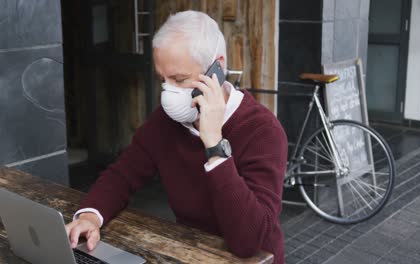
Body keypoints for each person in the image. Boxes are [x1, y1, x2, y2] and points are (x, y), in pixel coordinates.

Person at [65, 10, 287, 264]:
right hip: (191, 254)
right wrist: (90, 216)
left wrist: (214, 145)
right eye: (162, 79)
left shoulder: (263, 131)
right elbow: (123, 174)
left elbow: (249, 241)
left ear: (217, 69)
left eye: (179, 79)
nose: (168, 92)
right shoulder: (166, 121)